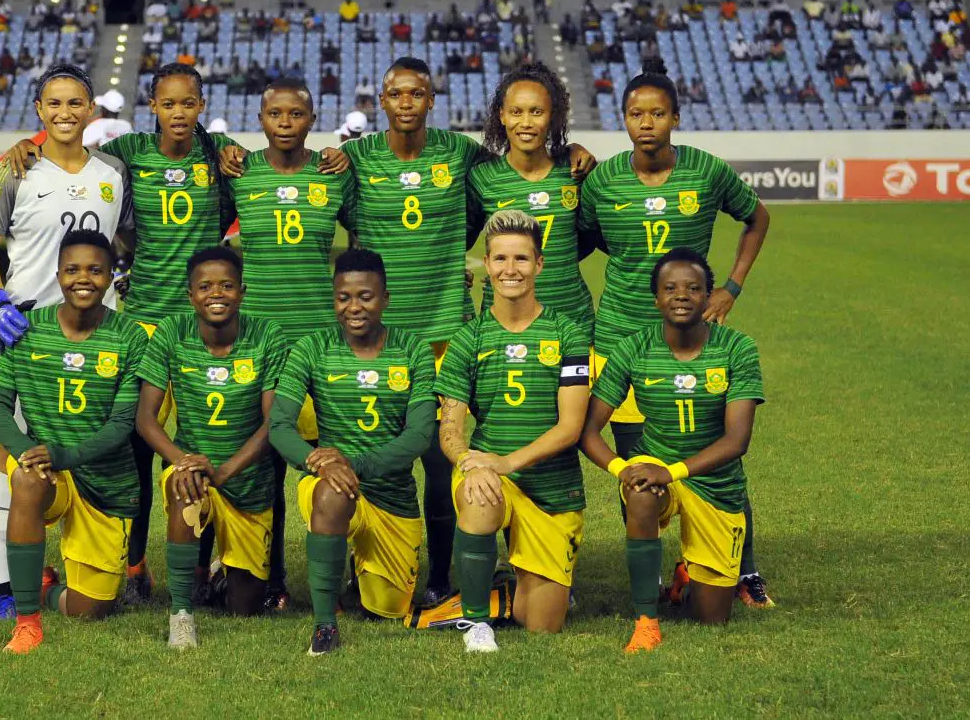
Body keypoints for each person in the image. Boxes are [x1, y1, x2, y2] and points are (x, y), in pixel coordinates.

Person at [319, 57, 595, 604]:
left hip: (448, 331)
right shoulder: (356, 159)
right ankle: (362, 563)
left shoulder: (464, 155)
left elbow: (513, 185)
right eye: (396, 93)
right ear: (381, 99)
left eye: (416, 93)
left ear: (431, 99)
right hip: (378, 339)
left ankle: (444, 578)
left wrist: (572, 150)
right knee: (368, 451)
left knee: (440, 458)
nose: (406, 102)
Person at [1, 63, 249, 603]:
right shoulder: (129, 152)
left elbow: (243, 190)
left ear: (202, 106)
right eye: (168, 103)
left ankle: (201, 566)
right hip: (144, 321)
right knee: (137, 448)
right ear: (151, 106)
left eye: (188, 103)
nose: (178, 112)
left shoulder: (218, 154)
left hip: (202, 326)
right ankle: (135, 565)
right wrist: (28, 146)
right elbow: (74, 157)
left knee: (201, 443)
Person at [578, 67, 775, 609]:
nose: (647, 123)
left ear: (676, 118)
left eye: (658, 113)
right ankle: (655, 577)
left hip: (694, 341)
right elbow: (583, 239)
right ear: (623, 120)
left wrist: (731, 286)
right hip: (620, 340)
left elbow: (757, 218)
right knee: (635, 464)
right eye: (636, 114)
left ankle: (743, 570)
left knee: (719, 457)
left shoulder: (706, 171)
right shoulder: (603, 180)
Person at [0, 64, 133, 620]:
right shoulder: (14, 168)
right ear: (39, 110)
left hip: (98, 337)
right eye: (54, 103)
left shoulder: (114, 172)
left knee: (92, 448)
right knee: (12, 455)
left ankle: (90, 560)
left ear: (92, 110)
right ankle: (6, 585)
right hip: (23, 331)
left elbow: (126, 240)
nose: (65, 112)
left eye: (75, 102)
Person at [580, 247, 765, 652]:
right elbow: (588, 430)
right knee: (641, 493)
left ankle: (689, 576)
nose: (681, 295)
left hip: (715, 483)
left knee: (711, 618)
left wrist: (673, 471)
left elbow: (737, 441)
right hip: (656, 466)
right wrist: (622, 469)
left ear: (708, 296)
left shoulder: (737, 348)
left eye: (693, 288)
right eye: (670, 288)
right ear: (656, 299)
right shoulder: (633, 348)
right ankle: (646, 620)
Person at [219, 79, 358, 609]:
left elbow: (363, 246)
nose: (284, 122)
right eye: (274, 113)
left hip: (321, 341)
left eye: (296, 114)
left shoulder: (333, 174)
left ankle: (342, 577)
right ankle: (269, 578)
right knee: (264, 466)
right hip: (257, 343)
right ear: (260, 118)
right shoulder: (239, 172)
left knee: (334, 458)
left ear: (311, 119)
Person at [0, 230, 149, 653]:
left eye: (95, 270)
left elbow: (122, 424)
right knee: (26, 480)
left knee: (90, 608)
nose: (83, 279)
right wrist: (25, 451)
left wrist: (63, 454)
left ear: (111, 276)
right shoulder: (28, 329)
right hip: (47, 469)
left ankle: (44, 588)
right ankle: (26, 623)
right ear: (58, 275)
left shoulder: (130, 337)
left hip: (104, 483)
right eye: (72, 270)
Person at [436, 209, 591, 651]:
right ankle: (476, 622)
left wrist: (507, 462)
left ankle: (505, 584)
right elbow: (450, 428)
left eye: (521, 258)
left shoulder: (568, 334)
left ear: (539, 264)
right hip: (492, 475)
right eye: (500, 259)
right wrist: (469, 462)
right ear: (486, 264)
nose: (511, 269)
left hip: (552, 489)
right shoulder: (468, 339)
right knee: (477, 492)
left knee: (541, 624)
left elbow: (571, 427)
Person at [269, 248, 437, 655]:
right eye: (343, 297)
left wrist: (353, 464)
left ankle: (358, 573)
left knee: (389, 609)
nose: (354, 307)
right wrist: (315, 461)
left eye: (365, 296)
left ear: (385, 298)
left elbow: (420, 435)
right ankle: (325, 624)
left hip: (392, 499)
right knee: (332, 491)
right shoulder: (312, 348)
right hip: (333, 485)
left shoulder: (413, 350)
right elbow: (279, 425)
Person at [135, 247, 288, 645]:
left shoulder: (267, 335)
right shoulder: (172, 332)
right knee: (185, 486)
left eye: (226, 285)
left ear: (242, 291)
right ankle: (181, 615)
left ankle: (222, 573)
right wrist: (183, 461)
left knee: (245, 606)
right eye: (204, 287)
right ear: (190, 295)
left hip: (247, 482)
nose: (215, 294)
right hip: (194, 470)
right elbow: (146, 418)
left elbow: (274, 423)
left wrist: (224, 471)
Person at [469, 63, 597, 342]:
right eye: (516, 112)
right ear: (502, 115)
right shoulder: (482, 178)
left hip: (572, 324)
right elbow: (458, 240)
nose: (526, 123)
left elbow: (590, 238)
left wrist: (557, 262)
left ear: (552, 116)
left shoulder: (574, 172)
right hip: (501, 328)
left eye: (536, 112)